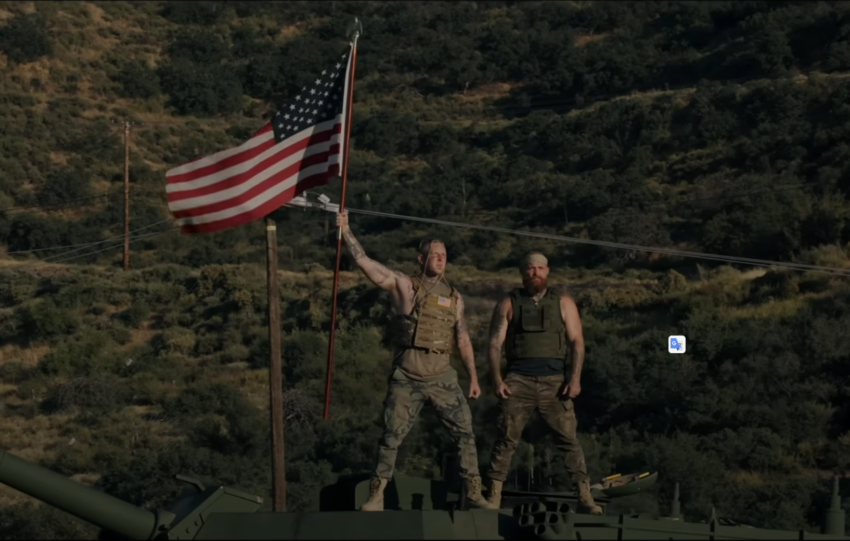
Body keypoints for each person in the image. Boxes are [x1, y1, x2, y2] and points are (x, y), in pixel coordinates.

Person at [336, 210, 489, 511]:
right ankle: (377, 494)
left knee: (465, 434)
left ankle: (474, 491)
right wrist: (346, 232)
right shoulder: (405, 286)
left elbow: (462, 338)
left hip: (442, 376)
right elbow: (367, 264)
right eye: (434, 254)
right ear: (421, 259)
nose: (440, 258)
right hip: (408, 375)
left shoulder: (455, 298)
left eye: (443, 254)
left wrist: (472, 377)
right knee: (391, 437)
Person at [482, 251, 603, 515]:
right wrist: (497, 379)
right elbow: (494, 344)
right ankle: (493, 495)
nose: (535, 272)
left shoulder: (563, 302)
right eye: (530, 268)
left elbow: (577, 342)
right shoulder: (508, 303)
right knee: (506, 440)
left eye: (539, 268)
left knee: (569, 441)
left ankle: (584, 496)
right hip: (518, 382)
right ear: (522, 272)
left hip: (555, 383)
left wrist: (575, 378)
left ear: (547, 271)